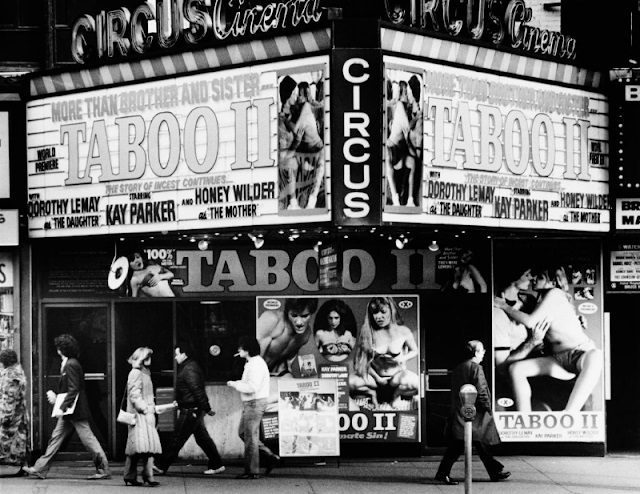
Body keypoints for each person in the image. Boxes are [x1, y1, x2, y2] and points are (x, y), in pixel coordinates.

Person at [494, 266, 603, 412]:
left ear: (551, 281)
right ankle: (524, 418)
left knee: (596, 356)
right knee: (516, 369)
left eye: (539, 277)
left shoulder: (555, 293)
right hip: (556, 359)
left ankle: (569, 413)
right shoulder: (538, 299)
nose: (533, 279)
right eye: (532, 276)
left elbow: (530, 322)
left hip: (580, 351)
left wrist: (504, 306)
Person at [25, 334, 111, 480]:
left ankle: (103, 469)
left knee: (88, 440)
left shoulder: (71, 364)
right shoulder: (71, 363)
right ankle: (40, 468)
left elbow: (74, 388)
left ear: (61, 349)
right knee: (56, 439)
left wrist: (62, 406)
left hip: (74, 411)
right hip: (71, 411)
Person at [435, 340, 511, 485]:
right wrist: (488, 407)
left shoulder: (460, 368)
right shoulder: (476, 368)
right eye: (482, 350)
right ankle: (443, 473)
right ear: (475, 352)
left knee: (473, 443)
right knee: (471, 442)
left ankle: (495, 471)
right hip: (475, 413)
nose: (484, 352)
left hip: (462, 411)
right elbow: (481, 390)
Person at [154, 342, 224, 476]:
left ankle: (161, 466)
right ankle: (217, 464)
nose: (175, 357)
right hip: (194, 409)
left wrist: (207, 408)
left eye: (177, 354)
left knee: (177, 439)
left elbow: (197, 390)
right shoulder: (190, 367)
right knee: (203, 439)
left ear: (184, 354)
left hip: (190, 409)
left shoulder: (189, 369)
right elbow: (194, 390)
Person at [349, 297, 419, 409]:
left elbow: (415, 351)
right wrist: (377, 378)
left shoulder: (403, 331)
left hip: (396, 378)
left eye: (383, 312)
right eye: (375, 312)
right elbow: (360, 361)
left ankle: (396, 395)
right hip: (373, 379)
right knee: (348, 383)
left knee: (417, 383)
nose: (379, 316)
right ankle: (372, 394)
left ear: (392, 311)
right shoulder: (367, 332)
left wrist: (402, 358)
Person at [227, 336, 280, 479]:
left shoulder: (255, 364)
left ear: (247, 349)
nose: (238, 350)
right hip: (252, 403)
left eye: (241, 348)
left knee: (249, 436)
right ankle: (269, 457)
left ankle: (252, 471)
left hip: (254, 403)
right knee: (244, 433)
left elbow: (252, 387)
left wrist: (235, 384)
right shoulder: (252, 362)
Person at [122, 347, 162, 487]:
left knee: (144, 445)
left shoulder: (144, 372)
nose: (150, 360)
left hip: (146, 412)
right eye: (147, 357)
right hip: (140, 414)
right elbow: (134, 394)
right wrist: (144, 408)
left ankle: (136, 475)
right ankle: (142, 476)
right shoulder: (136, 373)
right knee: (140, 445)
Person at [257, 298, 318, 376]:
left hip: (273, 372)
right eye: (294, 315)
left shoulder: (305, 335)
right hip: (254, 371)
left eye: (304, 316)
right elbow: (252, 354)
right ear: (287, 312)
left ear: (311, 313)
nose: (299, 323)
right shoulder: (272, 319)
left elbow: (287, 360)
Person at [0, 349, 28, 477]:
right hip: (19, 412)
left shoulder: (10, 375)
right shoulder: (18, 371)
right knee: (20, 439)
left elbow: (9, 396)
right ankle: (23, 465)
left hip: (11, 414)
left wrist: (6, 415)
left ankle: (13, 463)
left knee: (5, 439)